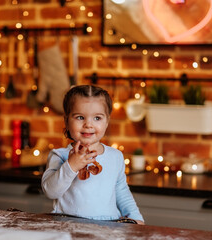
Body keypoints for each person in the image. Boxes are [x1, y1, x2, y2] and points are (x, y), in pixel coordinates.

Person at [41, 85, 144, 224]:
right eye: (80, 117)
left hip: (109, 227)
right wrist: (71, 166)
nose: (88, 124)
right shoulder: (59, 156)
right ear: (66, 120)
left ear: (107, 121)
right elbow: (50, 191)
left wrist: (135, 216)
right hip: (68, 225)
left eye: (97, 118)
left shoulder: (115, 156)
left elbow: (121, 191)